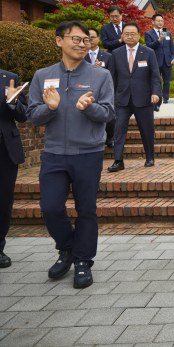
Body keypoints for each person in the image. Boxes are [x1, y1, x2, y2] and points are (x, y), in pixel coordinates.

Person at [26, 20, 115, 288]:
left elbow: (110, 113)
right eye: (75, 39)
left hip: (88, 153)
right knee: (50, 207)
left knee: (85, 209)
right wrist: (50, 108)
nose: (81, 44)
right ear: (59, 41)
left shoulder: (100, 76)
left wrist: (89, 107)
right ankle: (67, 248)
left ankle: (83, 262)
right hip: (54, 153)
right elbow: (32, 115)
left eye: (85, 40)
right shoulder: (42, 76)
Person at [107, 22, 161, 172]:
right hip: (122, 99)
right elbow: (112, 77)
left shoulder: (148, 52)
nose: (129, 36)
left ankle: (150, 157)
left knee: (147, 129)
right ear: (122, 36)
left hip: (143, 98)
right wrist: (111, 97)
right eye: (126, 34)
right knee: (118, 129)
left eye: (133, 34)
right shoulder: (116, 53)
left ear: (139, 35)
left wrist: (156, 93)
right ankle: (118, 161)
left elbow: (155, 76)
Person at [0, 69, 28, 268]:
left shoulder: (8, 78)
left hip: (5, 149)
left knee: (3, 200)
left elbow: (23, 116)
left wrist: (12, 102)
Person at [84, 27, 115, 148]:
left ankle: (109, 137)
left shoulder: (107, 56)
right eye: (88, 38)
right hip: (86, 90)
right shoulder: (82, 55)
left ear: (98, 38)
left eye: (93, 37)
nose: (90, 40)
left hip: (103, 90)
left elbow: (112, 73)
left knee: (109, 115)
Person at [144, 14, 174, 110]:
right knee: (156, 81)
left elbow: (171, 47)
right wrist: (159, 40)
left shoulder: (168, 33)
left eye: (162, 21)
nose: (160, 23)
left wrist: (173, 58)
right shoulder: (148, 34)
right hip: (155, 61)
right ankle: (157, 102)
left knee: (167, 80)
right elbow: (149, 46)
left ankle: (166, 97)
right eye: (158, 21)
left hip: (167, 61)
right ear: (153, 22)